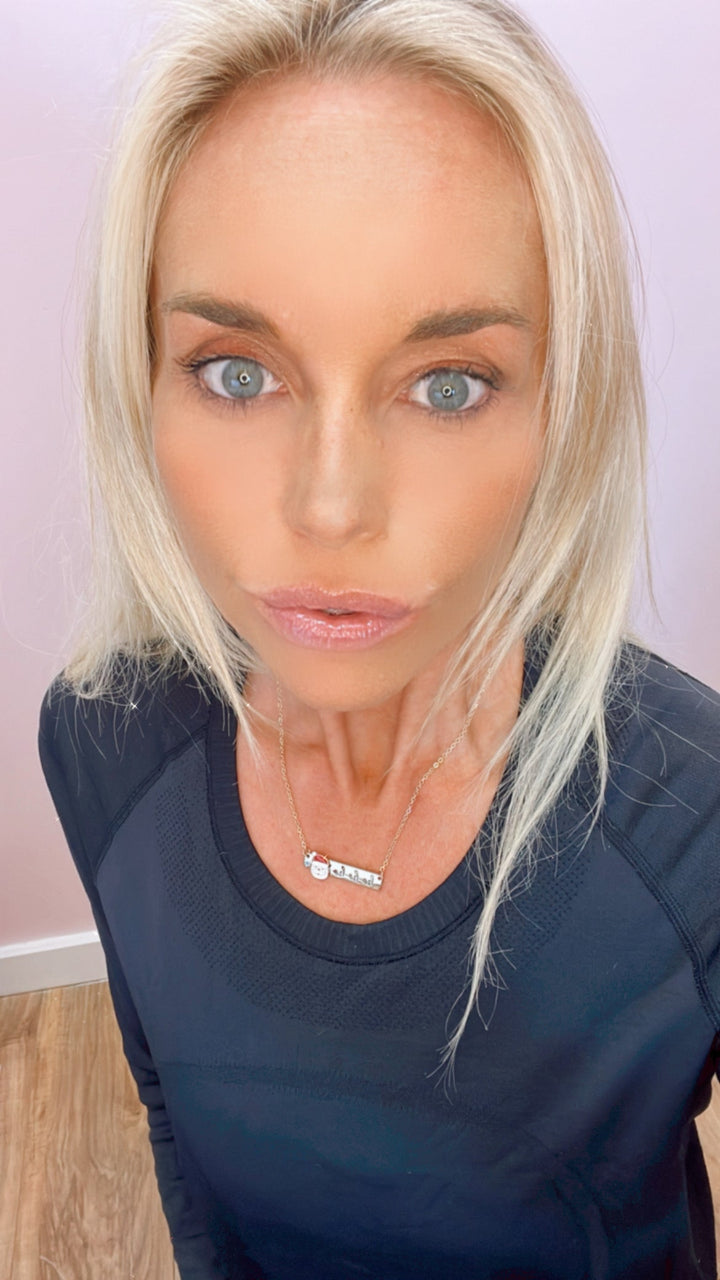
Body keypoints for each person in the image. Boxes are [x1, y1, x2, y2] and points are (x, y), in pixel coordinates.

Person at [37, 0, 720, 1277]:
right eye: (237, 372)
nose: (331, 507)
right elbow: (176, 1121)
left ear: (561, 408)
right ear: (140, 382)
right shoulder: (104, 740)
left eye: (448, 384)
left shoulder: (695, 819)